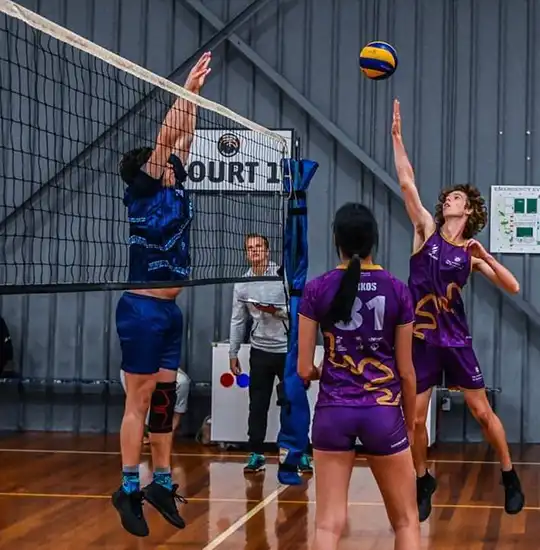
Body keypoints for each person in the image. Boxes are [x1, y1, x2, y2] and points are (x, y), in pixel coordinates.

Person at [391, 98, 525, 522]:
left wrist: (487, 255)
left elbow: (514, 286)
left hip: (456, 339)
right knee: (413, 420)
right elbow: (408, 183)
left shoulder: (470, 252)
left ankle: (509, 475)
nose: (448, 199)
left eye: (456, 198)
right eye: (446, 196)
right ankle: (422, 478)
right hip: (421, 340)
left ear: (467, 210)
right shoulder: (425, 232)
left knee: (482, 413)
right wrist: (397, 139)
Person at [111, 52, 211, 538]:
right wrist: (187, 88)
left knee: (166, 399)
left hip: (170, 311)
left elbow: (183, 139)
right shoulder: (144, 190)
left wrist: (197, 98)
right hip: (141, 309)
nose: (173, 162)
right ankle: (129, 486)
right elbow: (167, 137)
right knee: (141, 398)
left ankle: (163, 481)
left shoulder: (176, 188)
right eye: (164, 163)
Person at [298, 202, 420, 550]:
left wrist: (330, 369)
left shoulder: (316, 289)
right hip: (382, 412)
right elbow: (407, 372)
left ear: (336, 239)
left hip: (333, 413)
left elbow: (304, 369)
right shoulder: (397, 290)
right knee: (406, 521)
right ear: (374, 241)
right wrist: (410, 425)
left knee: (327, 526)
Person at [229, 233, 312, 474]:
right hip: (260, 350)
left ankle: (302, 452)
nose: (254, 251)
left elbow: (298, 310)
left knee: (294, 402)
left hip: (286, 350)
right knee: (258, 404)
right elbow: (238, 320)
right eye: (250, 248)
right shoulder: (242, 283)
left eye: (258, 247)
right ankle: (256, 453)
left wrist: (274, 311)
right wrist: (233, 352)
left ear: (267, 251)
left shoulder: (283, 277)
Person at [119, 368, 191, 445]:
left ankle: (168, 432)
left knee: (182, 382)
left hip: (163, 365)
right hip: (136, 366)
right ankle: (143, 432)